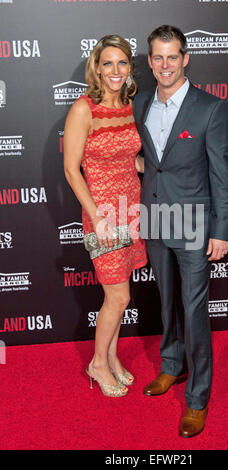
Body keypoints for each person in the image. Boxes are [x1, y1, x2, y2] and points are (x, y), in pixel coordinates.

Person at [133, 25, 228, 436]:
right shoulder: (141, 102)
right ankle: (172, 367)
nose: (164, 65)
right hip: (156, 219)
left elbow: (223, 175)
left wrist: (221, 229)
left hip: (194, 224)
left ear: (186, 58)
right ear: (150, 61)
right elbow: (149, 161)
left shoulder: (210, 108)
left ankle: (197, 397)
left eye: (172, 56)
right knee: (166, 302)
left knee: (194, 311)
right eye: (157, 57)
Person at [64, 35, 147, 398]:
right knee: (119, 297)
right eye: (108, 63)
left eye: (122, 63)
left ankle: (111, 358)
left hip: (131, 209)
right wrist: (96, 215)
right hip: (103, 214)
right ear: (97, 68)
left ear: (130, 68)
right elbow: (71, 169)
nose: (115, 71)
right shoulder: (84, 109)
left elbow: (133, 159)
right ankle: (98, 363)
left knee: (120, 294)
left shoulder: (130, 104)